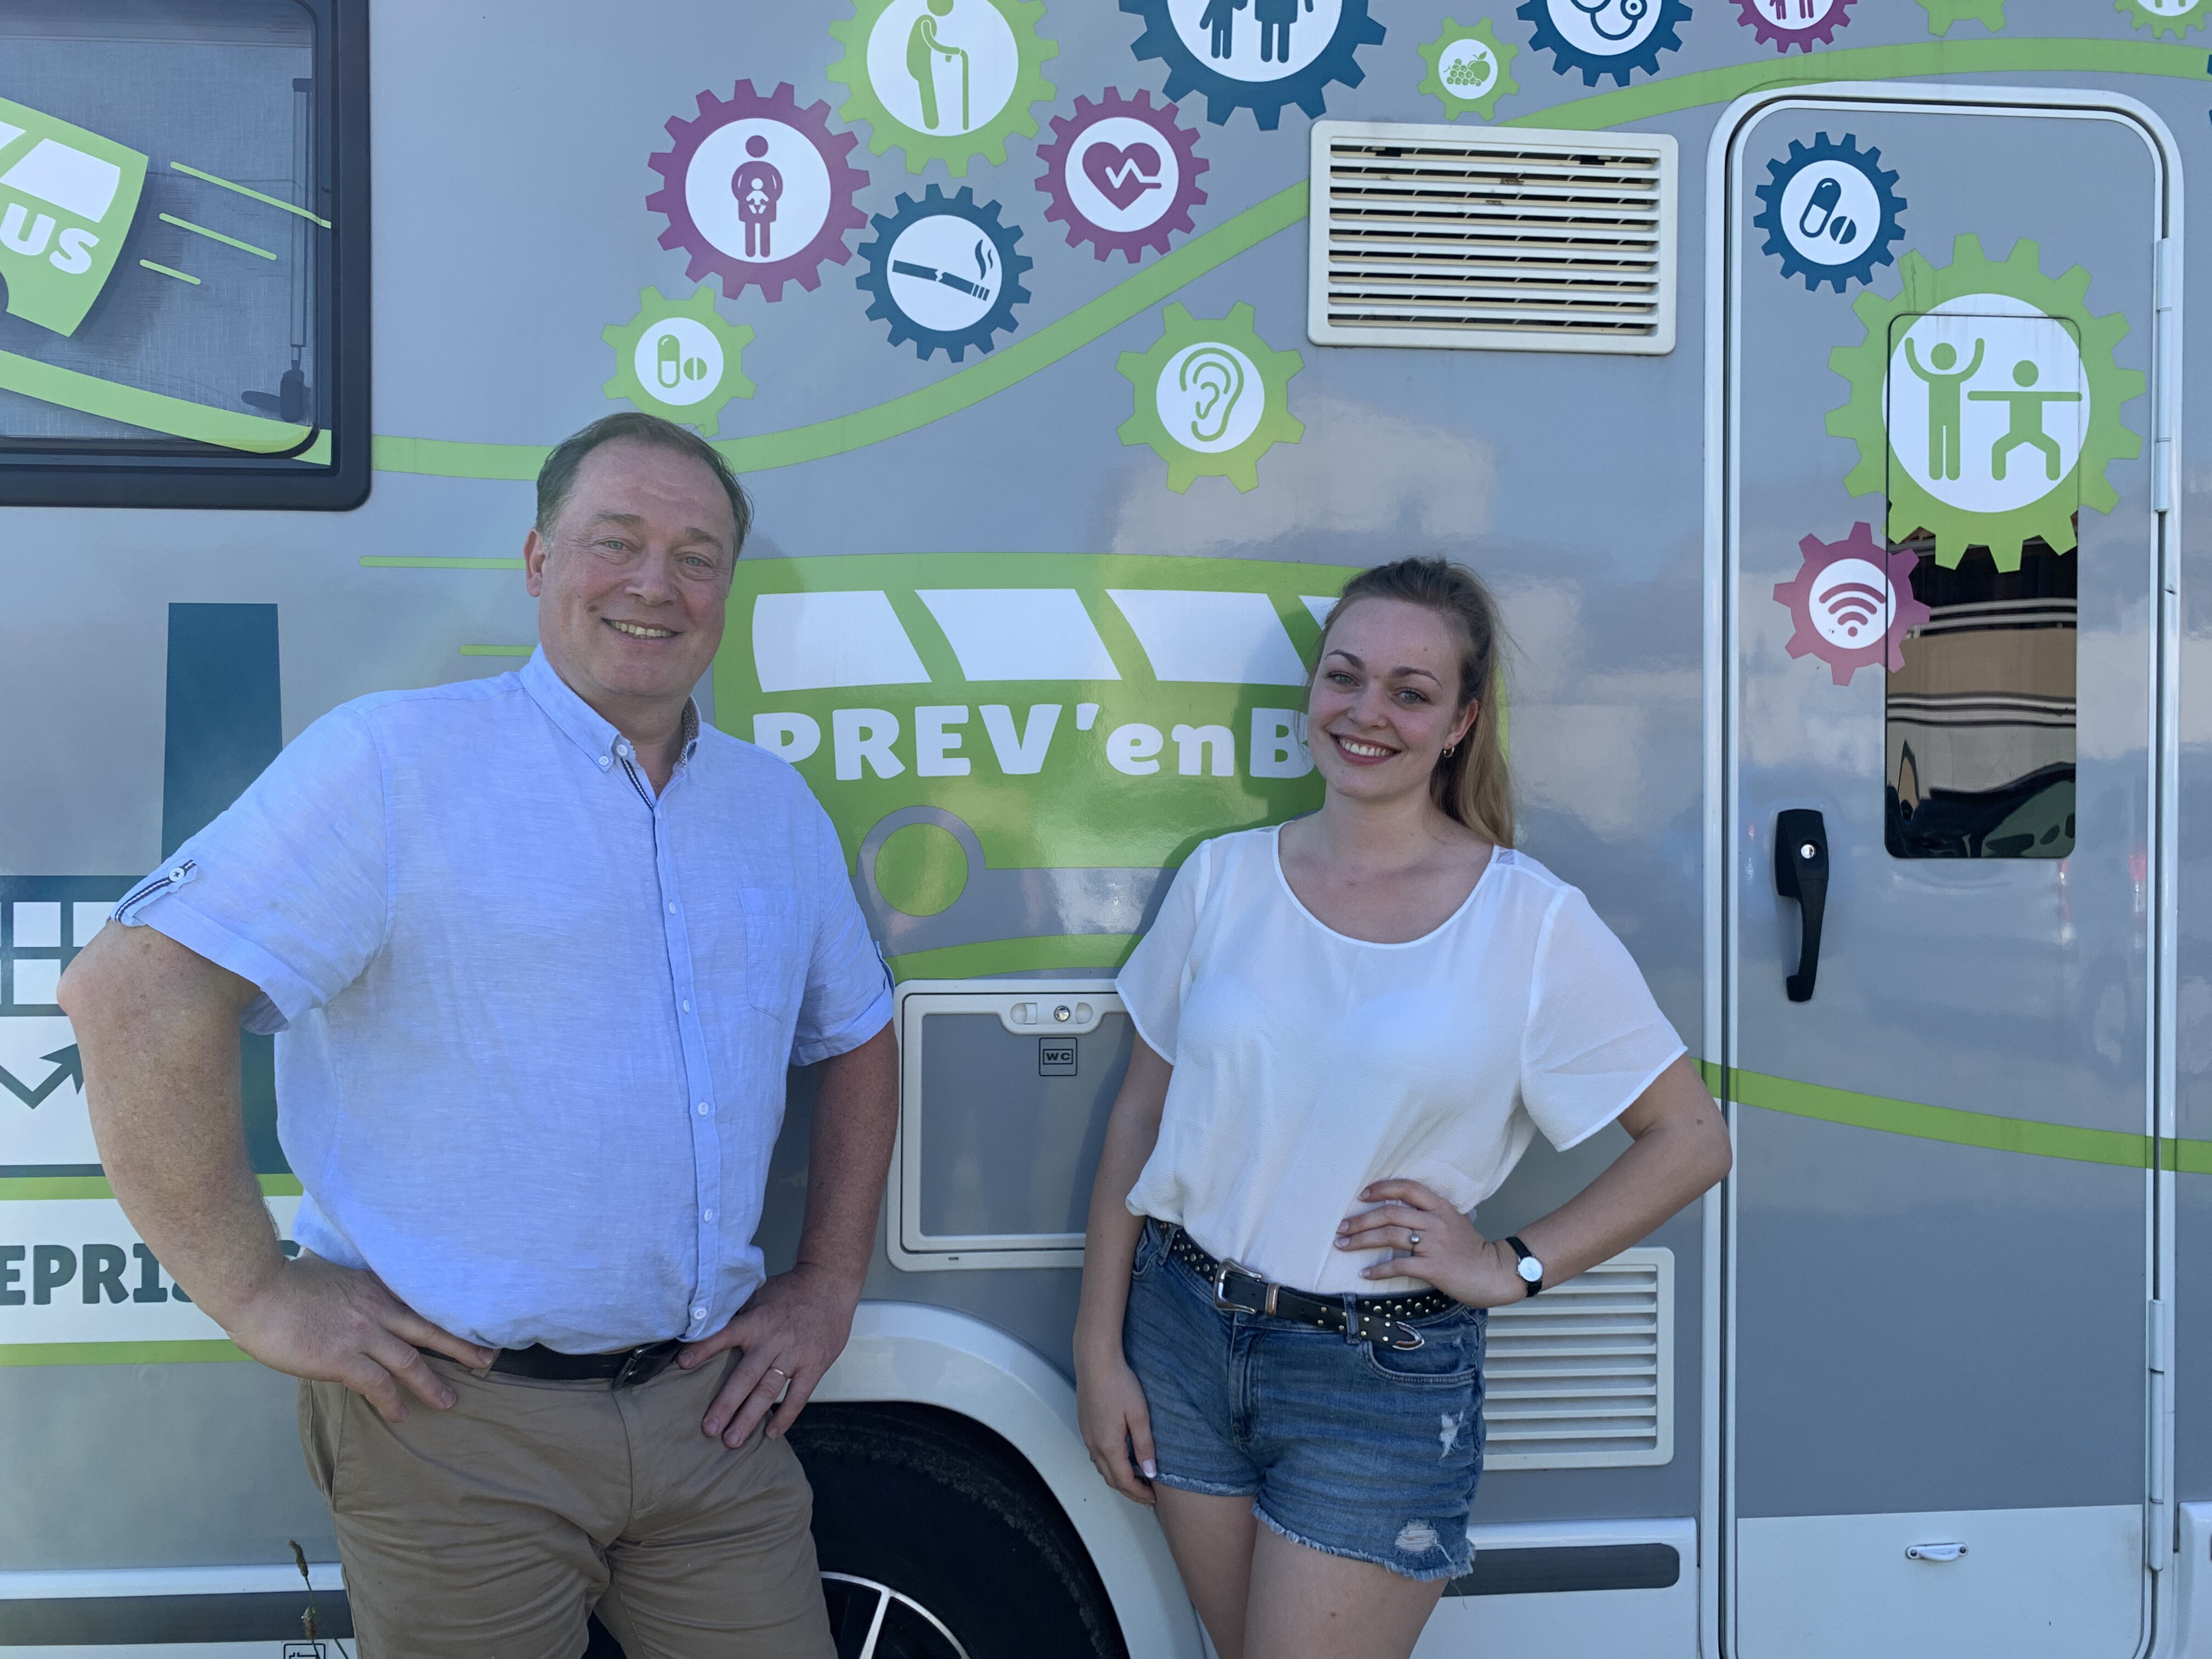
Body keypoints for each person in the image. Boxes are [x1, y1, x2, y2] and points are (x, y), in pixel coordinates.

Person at [58, 411, 896, 1659]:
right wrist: (251, 1289)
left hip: (708, 1428)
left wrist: (828, 1284)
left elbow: (860, 1034)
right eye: (615, 542)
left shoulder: (772, 809)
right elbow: (131, 995)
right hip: (455, 1432)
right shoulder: (397, 765)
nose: (655, 585)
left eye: (697, 554)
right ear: (538, 561)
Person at [1074, 557, 1731, 1659]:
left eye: (1410, 691)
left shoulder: (1527, 920)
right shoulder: (1222, 879)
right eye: (1346, 677)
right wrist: (1100, 1351)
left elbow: (1691, 1138)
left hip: (1371, 1374)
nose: (1366, 712)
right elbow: (1141, 1118)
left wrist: (1507, 1264)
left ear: (1461, 721)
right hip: (1183, 1335)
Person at [732, 133, 782, 259]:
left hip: (766, 205)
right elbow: (736, 186)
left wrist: (772, 200)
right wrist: (743, 199)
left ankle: (765, 252)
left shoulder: (767, 169)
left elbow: (778, 186)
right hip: (749, 205)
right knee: (750, 227)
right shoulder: (746, 169)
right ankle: (751, 252)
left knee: (764, 227)